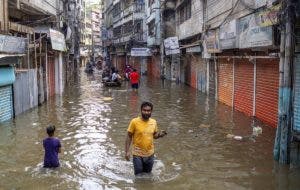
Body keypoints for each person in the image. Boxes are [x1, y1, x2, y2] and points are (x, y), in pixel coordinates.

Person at [125, 102, 167, 175]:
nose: (146, 112)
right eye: (144, 110)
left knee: (148, 174)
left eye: (148, 110)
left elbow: (154, 136)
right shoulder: (134, 122)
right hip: (137, 153)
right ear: (141, 110)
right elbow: (129, 136)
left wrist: (160, 134)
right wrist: (127, 151)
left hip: (150, 153)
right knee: (138, 175)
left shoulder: (153, 122)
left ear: (151, 111)